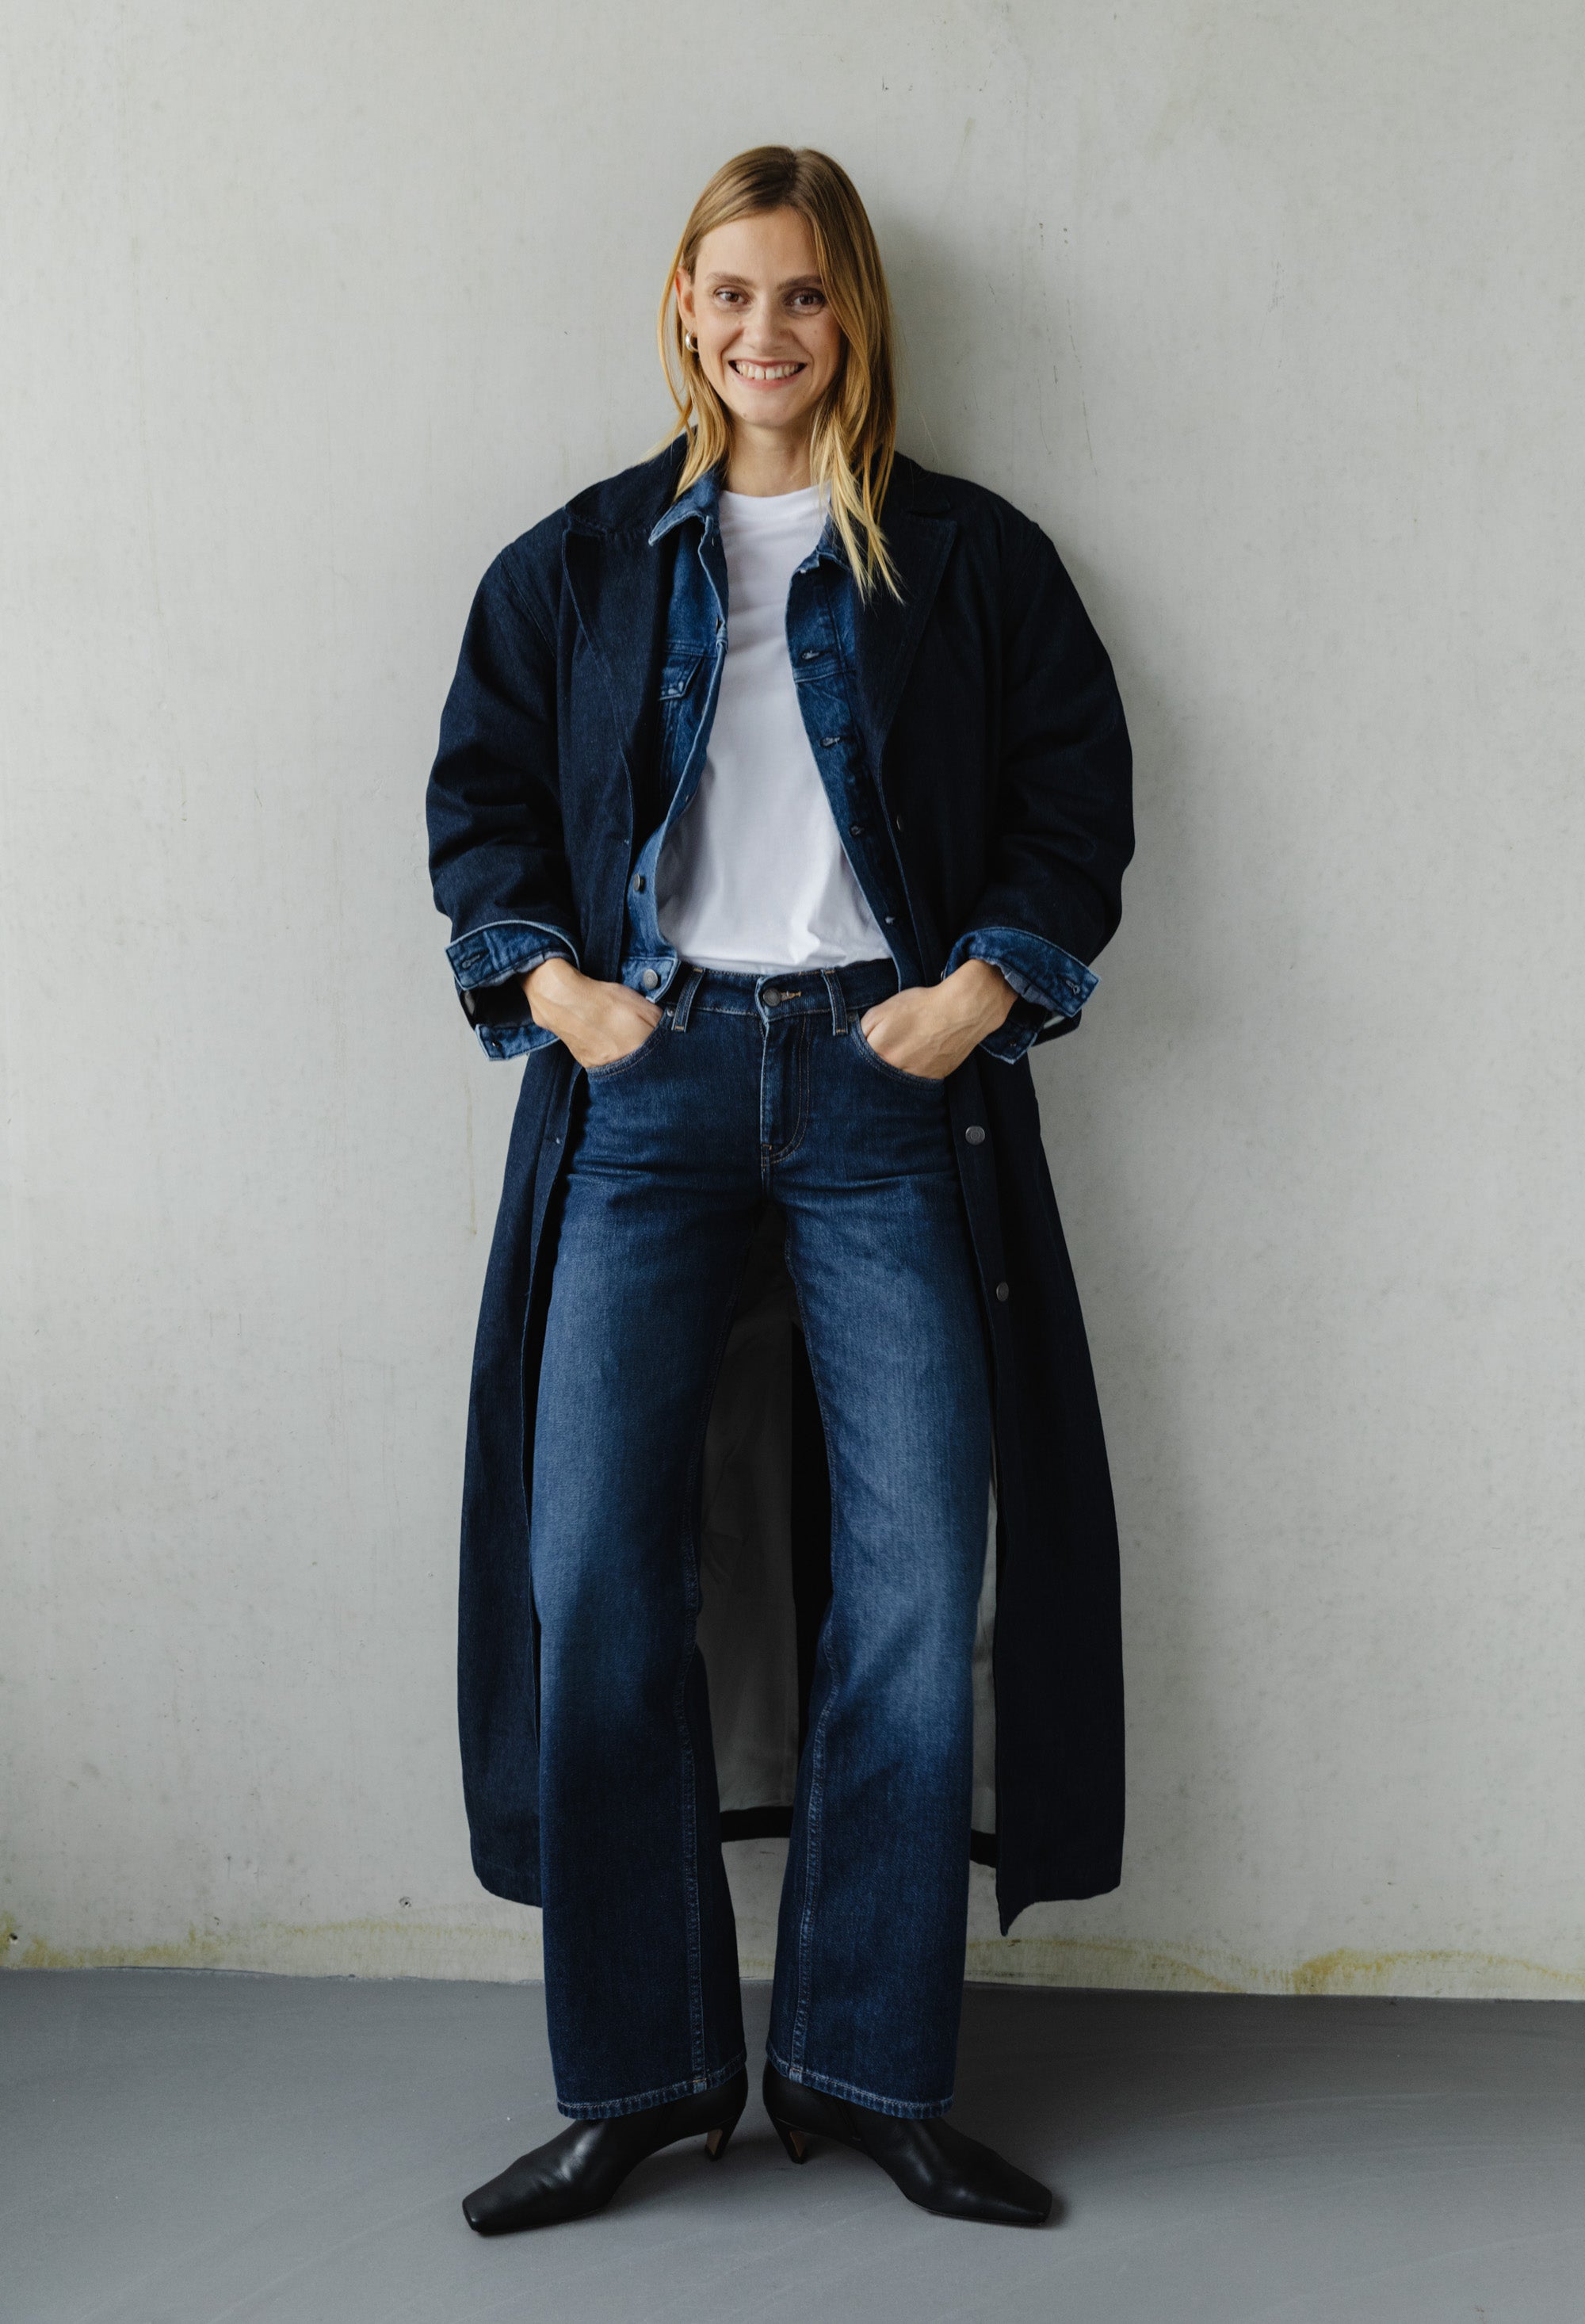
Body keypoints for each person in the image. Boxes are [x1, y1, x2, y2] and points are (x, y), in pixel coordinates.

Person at [426, 144, 1133, 2233]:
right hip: (641, 1094)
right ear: (679, 305)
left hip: (877, 1083)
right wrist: (554, 982)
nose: (767, 334)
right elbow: (474, 803)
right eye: (732, 292)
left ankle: (865, 2062)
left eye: (807, 297)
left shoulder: (972, 564)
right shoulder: (570, 565)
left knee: (918, 1584)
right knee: (598, 1581)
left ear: (858, 318)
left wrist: (980, 985)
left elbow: (1077, 792)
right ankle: (641, 2077)